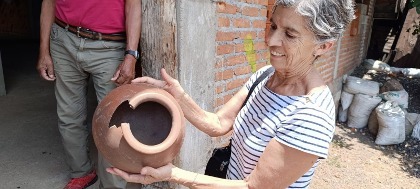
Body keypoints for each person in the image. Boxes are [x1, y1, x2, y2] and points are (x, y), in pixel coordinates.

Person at [107, 0, 355, 188]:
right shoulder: (266, 75)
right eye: (273, 26)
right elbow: (219, 123)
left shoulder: (311, 115)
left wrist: (173, 174)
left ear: (324, 46)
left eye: (290, 34)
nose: (271, 40)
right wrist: (178, 96)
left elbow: (252, 186)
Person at [36, 0, 142, 188]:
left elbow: (133, 5)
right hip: (63, 39)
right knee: (69, 114)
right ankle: (81, 172)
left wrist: (130, 55)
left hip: (109, 46)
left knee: (112, 123)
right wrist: (44, 50)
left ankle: (111, 186)